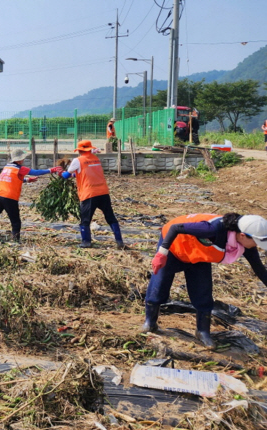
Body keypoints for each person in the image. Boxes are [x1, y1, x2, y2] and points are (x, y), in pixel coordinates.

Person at [143, 213, 267, 349]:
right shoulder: (211, 229)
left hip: (199, 253)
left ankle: (202, 332)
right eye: (256, 241)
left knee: (203, 291)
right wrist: (162, 253)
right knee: (159, 284)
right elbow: (175, 228)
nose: (257, 246)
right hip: (175, 246)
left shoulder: (246, 244)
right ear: (243, 235)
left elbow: (260, 269)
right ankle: (150, 323)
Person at [0, 149, 60, 242]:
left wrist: (27, 180)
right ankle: (16, 240)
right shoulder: (20, 168)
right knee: (15, 220)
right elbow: (36, 172)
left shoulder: (7, 167)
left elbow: (10, 179)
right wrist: (51, 170)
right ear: (20, 160)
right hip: (10, 197)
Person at [59, 140, 124, 249]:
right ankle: (120, 242)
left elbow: (66, 175)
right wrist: (75, 176)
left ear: (79, 150)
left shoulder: (77, 160)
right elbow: (86, 173)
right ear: (89, 149)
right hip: (103, 192)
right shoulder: (95, 158)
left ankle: (86, 242)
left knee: (85, 220)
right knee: (111, 218)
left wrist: (59, 173)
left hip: (89, 194)